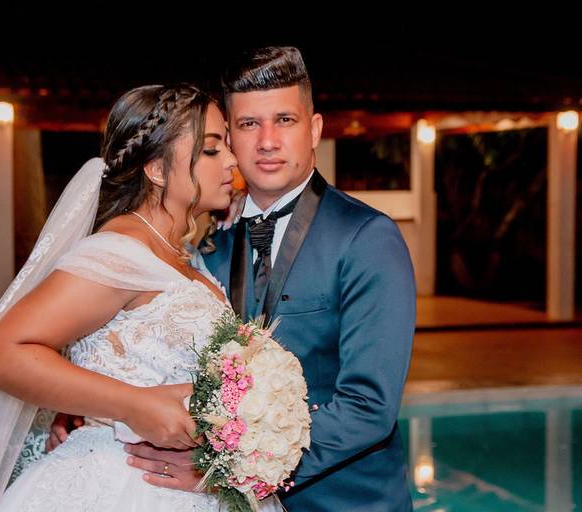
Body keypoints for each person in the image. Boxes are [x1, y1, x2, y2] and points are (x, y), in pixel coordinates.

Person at [0, 84, 281, 511]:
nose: (232, 161)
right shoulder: (119, 252)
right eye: (211, 149)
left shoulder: (180, 253)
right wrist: (132, 404)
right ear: (156, 169)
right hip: (125, 485)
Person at [123, 47, 417, 511]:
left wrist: (224, 470)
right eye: (248, 124)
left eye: (284, 120)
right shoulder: (209, 245)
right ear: (230, 138)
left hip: (346, 502)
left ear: (314, 129)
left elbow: (368, 406)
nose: (267, 141)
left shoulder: (367, 237)